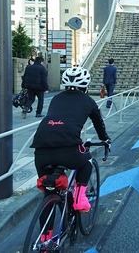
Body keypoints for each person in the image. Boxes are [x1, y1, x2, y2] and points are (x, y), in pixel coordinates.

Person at [30, 66, 111, 214]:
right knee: (86, 163)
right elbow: (98, 123)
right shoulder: (88, 100)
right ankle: (80, 199)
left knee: (48, 193)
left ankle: (46, 236)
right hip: (68, 148)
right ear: (86, 85)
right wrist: (105, 139)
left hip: (41, 149)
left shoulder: (56, 98)